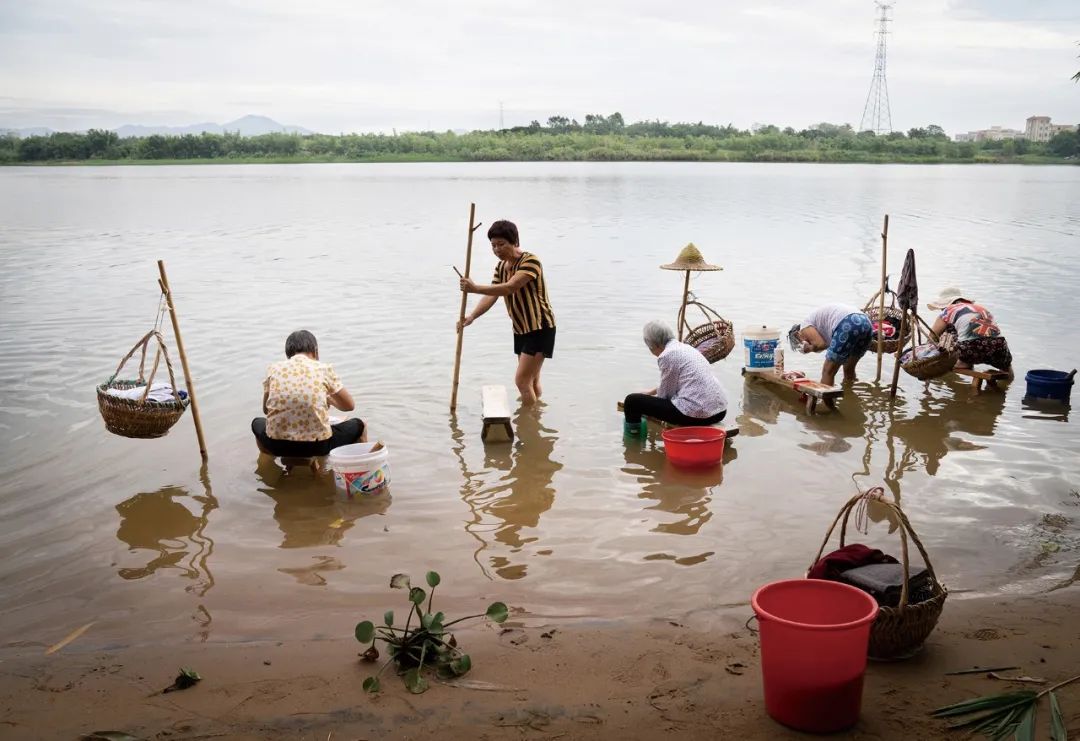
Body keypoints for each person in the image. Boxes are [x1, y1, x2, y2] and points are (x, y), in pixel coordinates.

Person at [458, 220, 556, 406]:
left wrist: (475, 287)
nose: (497, 250)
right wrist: (471, 317)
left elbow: (510, 287)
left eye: (501, 244)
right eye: (493, 245)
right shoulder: (501, 267)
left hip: (539, 327)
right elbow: (492, 295)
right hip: (521, 328)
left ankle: (529, 426)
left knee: (521, 381)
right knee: (531, 380)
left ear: (514, 241)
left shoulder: (530, 261)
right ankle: (536, 415)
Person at [251, 330, 366, 457]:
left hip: (277, 445)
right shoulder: (323, 368)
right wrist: (330, 400)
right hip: (318, 445)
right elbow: (349, 406)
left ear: (288, 354)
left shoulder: (273, 369)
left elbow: (266, 410)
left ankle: (269, 467)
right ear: (315, 351)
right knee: (360, 425)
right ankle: (363, 466)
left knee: (257, 423)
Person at [622, 321, 729, 436]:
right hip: (720, 411)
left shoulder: (667, 355)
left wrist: (645, 401)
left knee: (631, 402)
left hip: (699, 415)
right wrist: (650, 393)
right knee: (641, 400)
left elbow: (665, 395)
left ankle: (633, 440)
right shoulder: (685, 348)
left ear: (653, 345)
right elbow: (676, 382)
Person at [927, 287, 1013, 379]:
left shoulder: (947, 311)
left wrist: (930, 356)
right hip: (998, 346)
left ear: (945, 304)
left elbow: (933, 335)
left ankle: (964, 362)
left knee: (947, 334)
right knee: (1006, 367)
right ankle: (1006, 385)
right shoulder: (981, 308)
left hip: (970, 349)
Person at [788, 304, 873, 386]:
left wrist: (809, 348)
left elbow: (821, 345)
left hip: (848, 323)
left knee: (828, 371)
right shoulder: (817, 325)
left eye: (799, 343)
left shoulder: (804, 327)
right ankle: (850, 397)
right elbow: (824, 346)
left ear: (797, 334)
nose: (804, 343)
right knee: (848, 370)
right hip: (865, 322)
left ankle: (825, 400)